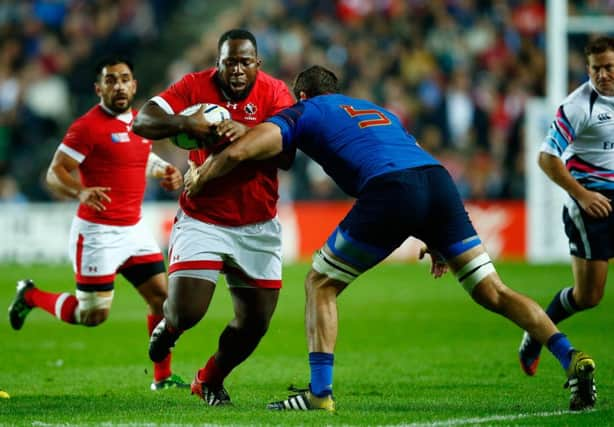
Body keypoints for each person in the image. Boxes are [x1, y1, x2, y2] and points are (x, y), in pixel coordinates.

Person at [187, 65, 598, 412]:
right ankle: (570, 357)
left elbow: (243, 151)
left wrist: (201, 176)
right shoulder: (376, 109)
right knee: (493, 290)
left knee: (320, 282)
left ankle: (319, 392)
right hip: (438, 183)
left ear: (302, 94)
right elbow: (411, 161)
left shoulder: (305, 111)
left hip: (390, 188)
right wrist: (435, 234)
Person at [131, 29, 295, 406]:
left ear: (258, 64)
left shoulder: (274, 93)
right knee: (188, 311)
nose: (237, 70)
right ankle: (170, 326)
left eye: (244, 62)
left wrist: (250, 134)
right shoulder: (194, 86)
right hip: (202, 218)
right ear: (217, 63)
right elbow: (143, 121)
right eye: (229, 62)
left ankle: (208, 379)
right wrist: (186, 125)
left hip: (258, 224)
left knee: (254, 324)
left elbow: (288, 155)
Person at [7, 56, 187, 391]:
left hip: (134, 230)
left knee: (163, 300)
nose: (118, 85)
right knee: (92, 315)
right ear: (98, 88)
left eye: (124, 79)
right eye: (110, 80)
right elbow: (54, 172)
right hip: (97, 233)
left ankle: (162, 378)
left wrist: (165, 170)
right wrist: (80, 190)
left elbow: (139, 155)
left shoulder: (139, 123)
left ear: (134, 85)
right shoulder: (86, 127)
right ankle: (30, 296)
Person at [518, 36, 614, 377]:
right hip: (591, 202)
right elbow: (546, 158)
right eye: (596, 69)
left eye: (609, 67)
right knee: (589, 296)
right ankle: (536, 330)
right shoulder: (578, 105)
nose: (602, 75)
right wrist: (583, 196)